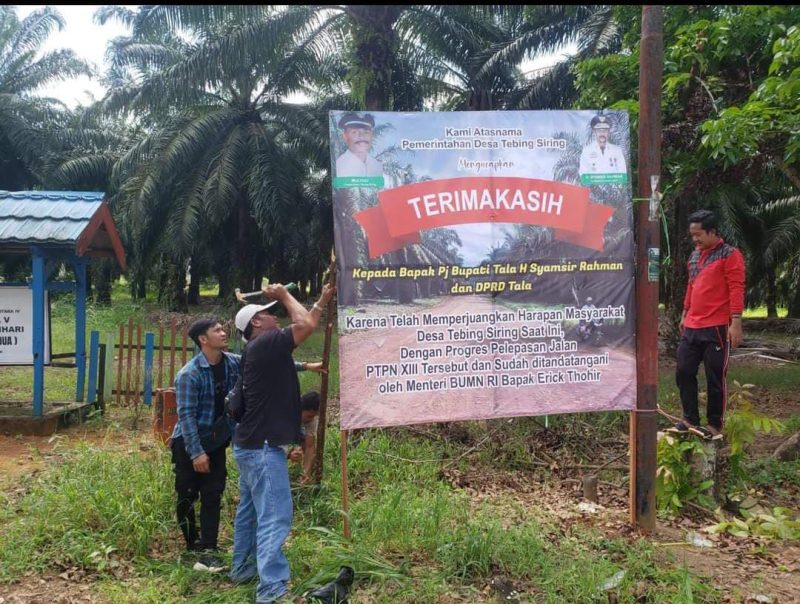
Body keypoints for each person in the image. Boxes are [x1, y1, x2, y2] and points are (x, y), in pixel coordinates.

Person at [229, 282, 336, 603]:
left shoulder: (260, 351)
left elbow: (306, 322)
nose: (275, 317)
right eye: (268, 313)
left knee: (250, 512)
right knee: (275, 515)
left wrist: (322, 300)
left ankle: (243, 568)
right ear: (256, 323)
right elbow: (305, 326)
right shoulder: (266, 343)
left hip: (248, 445)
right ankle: (273, 591)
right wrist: (285, 295)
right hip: (262, 449)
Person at [170, 318, 240, 573]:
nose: (223, 333)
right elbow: (186, 417)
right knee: (187, 494)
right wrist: (196, 453)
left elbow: (261, 364)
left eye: (223, 329)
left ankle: (209, 549)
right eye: (217, 330)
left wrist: (305, 366)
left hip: (216, 440)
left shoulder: (232, 362)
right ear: (203, 339)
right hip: (188, 442)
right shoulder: (189, 374)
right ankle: (192, 544)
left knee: (213, 493)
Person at [670, 209, 745, 440]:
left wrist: (736, 322)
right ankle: (689, 419)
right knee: (683, 370)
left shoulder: (730, 254)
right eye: (692, 235)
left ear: (712, 232)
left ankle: (714, 425)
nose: (695, 239)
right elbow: (691, 285)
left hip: (717, 327)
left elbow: (736, 287)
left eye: (698, 234)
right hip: (693, 324)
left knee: (715, 377)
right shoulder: (695, 256)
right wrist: (685, 312)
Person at [335, 112, 383, 178]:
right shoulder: (339, 165)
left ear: (372, 136)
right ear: (345, 137)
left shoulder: (377, 166)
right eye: (354, 132)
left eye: (366, 132)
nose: (361, 136)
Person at [297, 391, 321, 484]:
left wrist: (306, 473)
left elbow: (309, 446)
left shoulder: (312, 421)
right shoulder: (288, 414)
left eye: (314, 416)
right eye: (309, 416)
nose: (311, 419)